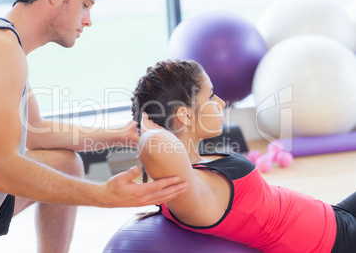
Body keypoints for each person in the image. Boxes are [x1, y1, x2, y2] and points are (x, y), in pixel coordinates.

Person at [0, 0, 188, 252]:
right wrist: (104, 196)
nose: (88, 19)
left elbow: (37, 132)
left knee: (65, 163)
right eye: (85, 5)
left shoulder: (4, 43)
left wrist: (120, 134)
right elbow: (4, 171)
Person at [131, 59, 356, 253]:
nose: (220, 103)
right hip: (336, 244)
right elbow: (155, 145)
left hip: (333, 216)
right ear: (184, 115)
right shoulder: (189, 191)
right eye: (210, 97)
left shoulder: (195, 165)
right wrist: (148, 130)